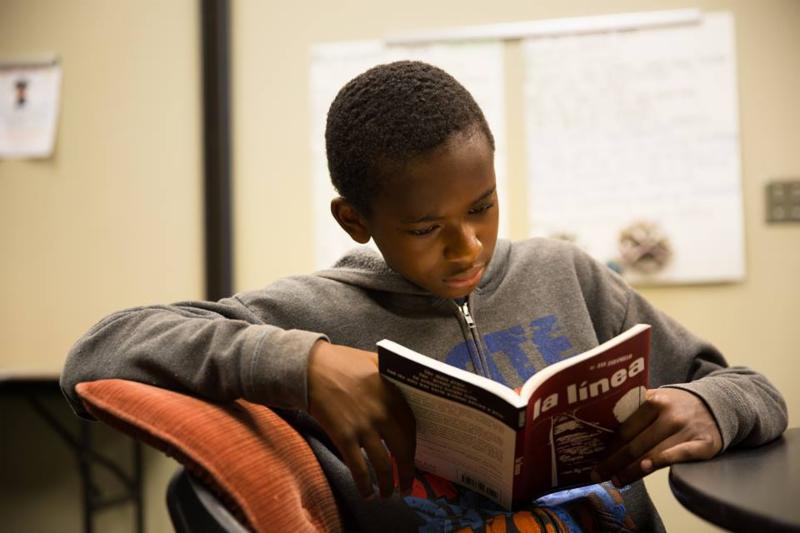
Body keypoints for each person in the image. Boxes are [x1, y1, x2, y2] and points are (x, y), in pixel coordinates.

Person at [61, 61, 787, 532]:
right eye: (424, 228)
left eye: (483, 206)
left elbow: (755, 390)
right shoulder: (313, 313)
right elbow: (98, 352)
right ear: (356, 219)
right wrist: (303, 364)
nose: (466, 246)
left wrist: (708, 407)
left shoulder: (568, 275)